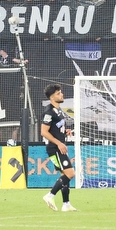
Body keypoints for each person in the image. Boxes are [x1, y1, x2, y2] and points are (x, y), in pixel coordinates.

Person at [41, 84, 78, 212]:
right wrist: (59, 143)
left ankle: (66, 204)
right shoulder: (48, 112)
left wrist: (65, 131)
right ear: (52, 97)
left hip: (59, 146)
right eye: (58, 93)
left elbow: (55, 128)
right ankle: (50, 195)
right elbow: (44, 132)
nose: (61, 94)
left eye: (60, 92)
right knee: (70, 173)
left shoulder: (59, 110)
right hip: (54, 148)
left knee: (64, 175)